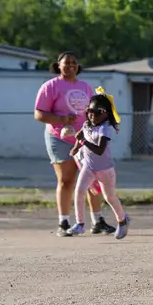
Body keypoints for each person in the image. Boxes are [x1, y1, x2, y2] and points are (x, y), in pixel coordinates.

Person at [33, 51, 112, 237]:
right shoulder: (50, 86)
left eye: (73, 63)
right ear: (58, 66)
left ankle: (97, 220)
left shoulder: (85, 87)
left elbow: (94, 112)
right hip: (59, 138)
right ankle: (64, 222)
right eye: (66, 63)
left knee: (93, 178)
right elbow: (39, 114)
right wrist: (61, 119)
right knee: (66, 180)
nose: (70, 66)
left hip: (85, 138)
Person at [65, 90, 129, 239]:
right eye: (89, 111)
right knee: (79, 191)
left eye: (97, 112)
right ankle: (80, 224)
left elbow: (100, 149)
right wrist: (76, 147)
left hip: (105, 170)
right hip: (89, 167)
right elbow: (80, 134)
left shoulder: (105, 128)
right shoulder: (88, 124)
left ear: (106, 114)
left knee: (110, 197)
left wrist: (83, 142)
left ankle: (122, 220)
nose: (92, 114)